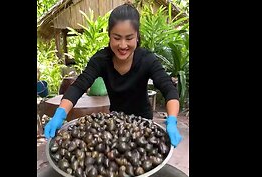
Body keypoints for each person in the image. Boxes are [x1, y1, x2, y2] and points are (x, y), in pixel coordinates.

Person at [44, 3, 183, 147]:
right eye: (117, 38)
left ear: (137, 37)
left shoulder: (147, 59)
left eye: (129, 38)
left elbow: (168, 88)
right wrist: (60, 113)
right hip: (115, 124)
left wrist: (172, 120)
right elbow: (79, 86)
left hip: (143, 125)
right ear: (109, 35)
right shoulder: (101, 60)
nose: (123, 45)